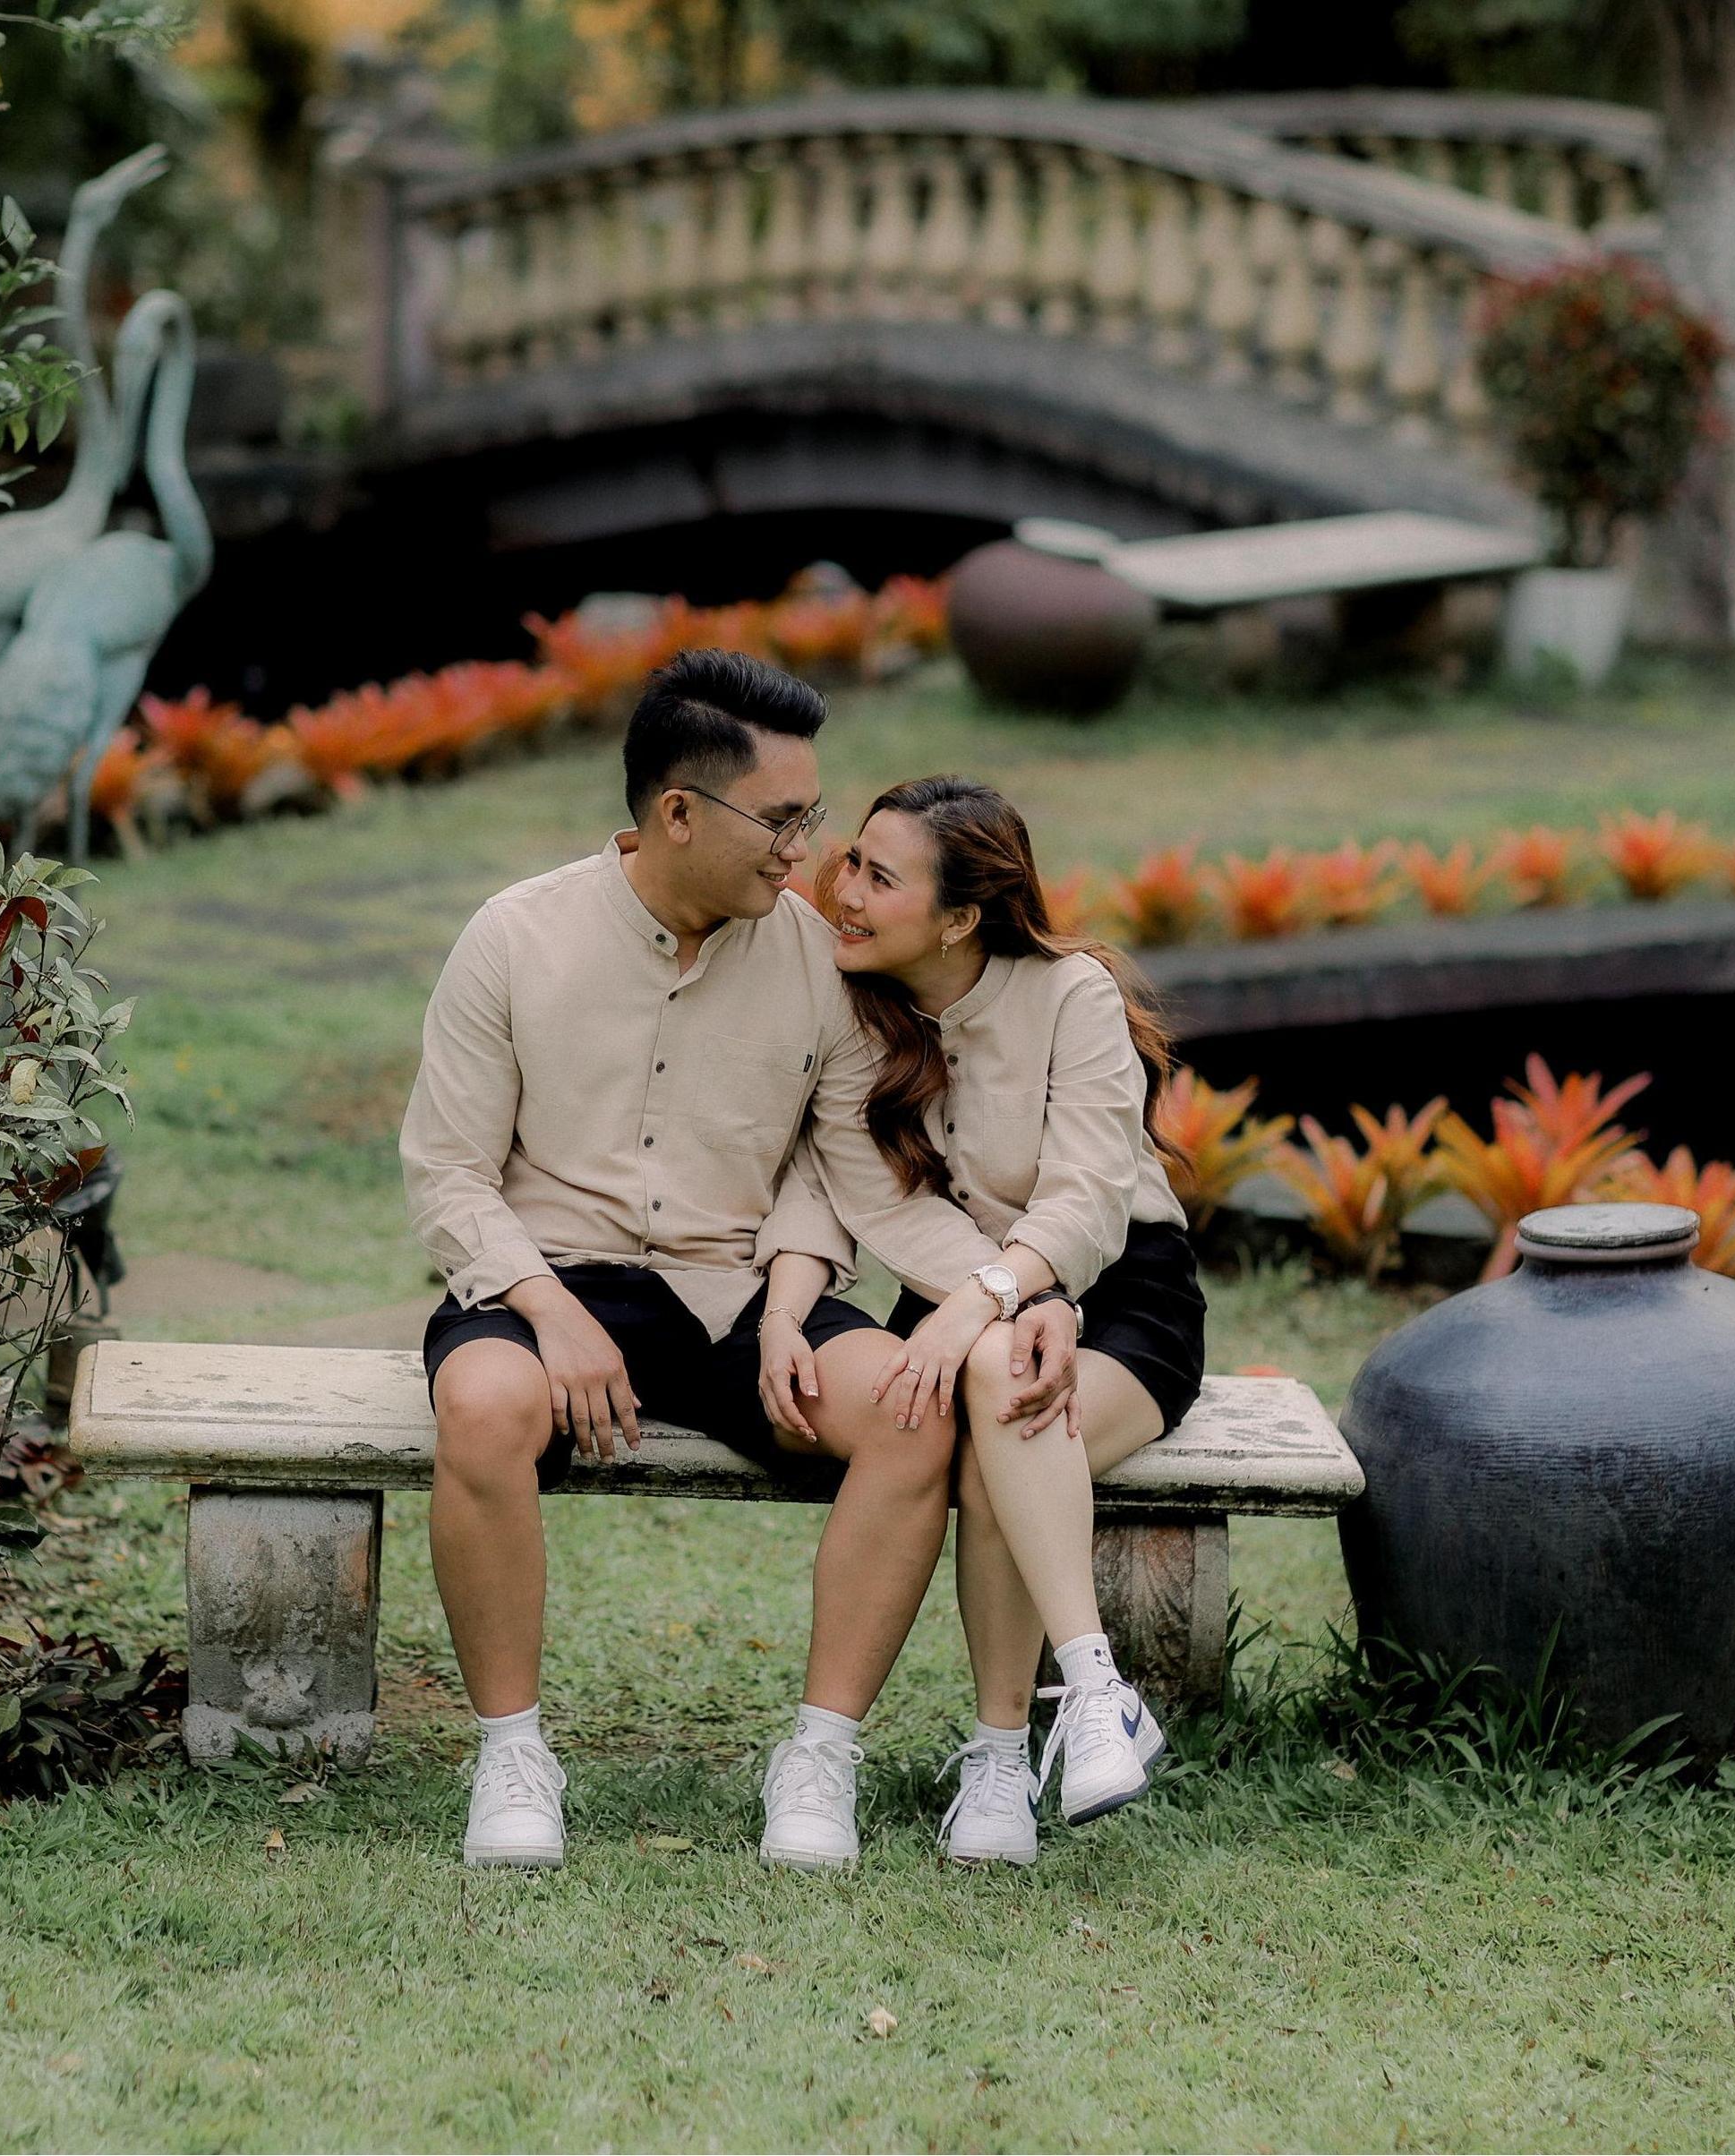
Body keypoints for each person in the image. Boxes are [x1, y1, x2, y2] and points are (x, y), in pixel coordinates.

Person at [399, 656, 1066, 1873]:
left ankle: (819, 1753)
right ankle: (510, 1752)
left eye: (812, 817)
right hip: (546, 1278)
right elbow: (447, 1171)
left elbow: (857, 1177)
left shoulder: (819, 961)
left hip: (739, 1293)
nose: (806, 854)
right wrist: (549, 1310)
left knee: (910, 1409)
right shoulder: (514, 936)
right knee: (481, 1400)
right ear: (678, 812)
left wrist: (1008, 1288)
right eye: (782, 820)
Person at [756, 774, 1205, 1866]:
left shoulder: (1071, 995)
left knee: (1001, 1410)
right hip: (955, 1297)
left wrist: (1002, 1297)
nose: (843, 891)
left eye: (879, 877)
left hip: (1122, 1293)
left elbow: (1087, 1195)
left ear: (959, 916)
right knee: (998, 1389)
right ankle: (1042, 1733)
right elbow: (877, 1202)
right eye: (850, 861)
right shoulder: (851, 1006)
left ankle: (1058, 1712)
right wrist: (995, 1301)